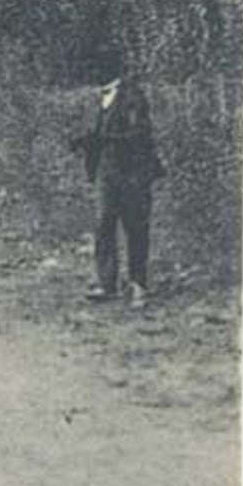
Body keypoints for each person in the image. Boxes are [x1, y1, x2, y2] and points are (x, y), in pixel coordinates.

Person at [73, 55, 165, 304]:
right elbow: (102, 133)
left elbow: (140, 133)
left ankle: (138, 285)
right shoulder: (101, 97)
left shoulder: (132, 96)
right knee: (103, 224)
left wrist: (102, 140)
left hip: (133, 172)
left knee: (135, 227)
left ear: (108, 70)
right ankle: (107, 284)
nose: (90, 74)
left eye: (94, 68)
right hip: (107, 171)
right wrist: (86, 141)